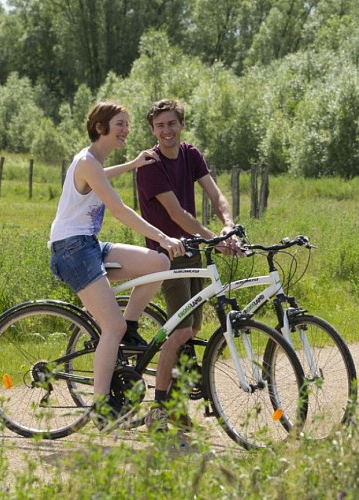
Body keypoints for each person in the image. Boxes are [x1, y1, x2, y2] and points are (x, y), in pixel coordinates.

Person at [48, 101, 185, 429]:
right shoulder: (86, 161)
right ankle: (100, 407)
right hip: (72, 250)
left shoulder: (92, 162)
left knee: (158, 263)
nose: (126, 130)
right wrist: (163, 235)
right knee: (112, 327)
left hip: (89, 246)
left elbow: (101, 177)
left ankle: (132, 326)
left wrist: (133, 164)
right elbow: (120, 209)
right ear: (102, 127)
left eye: (127, 124)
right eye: (120, 124)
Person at [136, 98, 239, 432]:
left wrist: (228, 225)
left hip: (193, 250)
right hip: (168, 253)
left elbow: (216, 195)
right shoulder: (151, 165)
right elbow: (177, 214)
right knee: (180, 330)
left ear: (181, 125)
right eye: (160, 126)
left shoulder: (191, 154)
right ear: (153, 130)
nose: (166, 131)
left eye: (172, 124)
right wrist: (216, 239)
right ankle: (159, 409)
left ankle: (179, 407)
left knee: (192, 330)